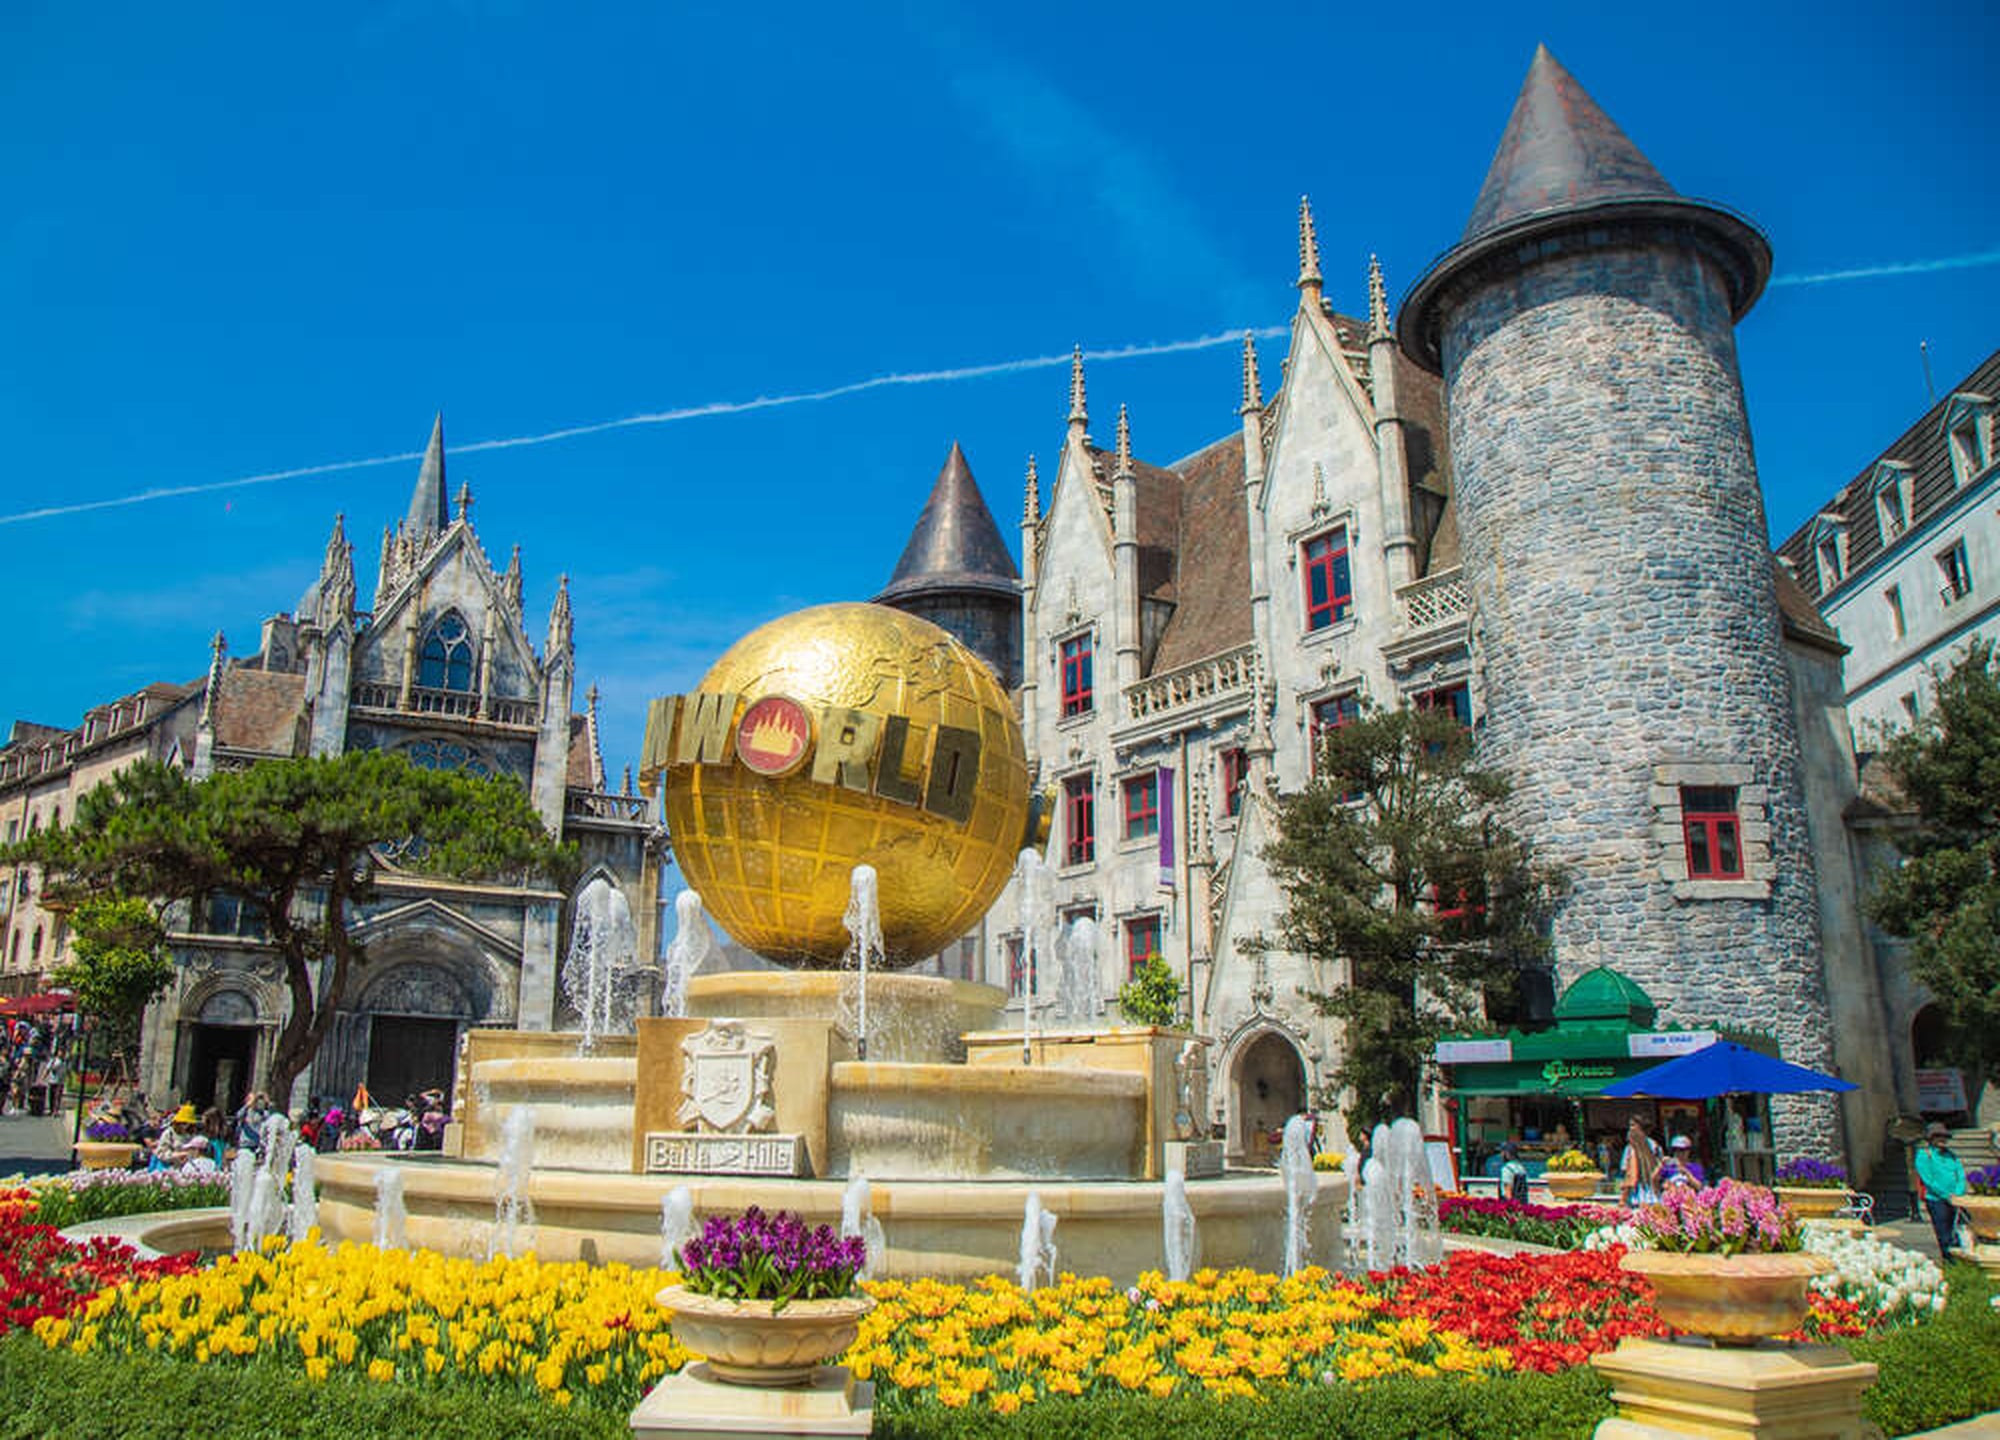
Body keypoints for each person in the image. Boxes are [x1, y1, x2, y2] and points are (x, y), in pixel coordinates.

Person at [1912, 1121, 1968, 1261]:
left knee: (1959, 1231)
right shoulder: (1924, 1155)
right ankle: (1949, 1261)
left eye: (1944, 1136)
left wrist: (1958, 1192)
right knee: (1944, 1233)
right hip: (1937, 1200)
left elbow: (1960, 1174)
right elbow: (1928, 1180)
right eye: (1938, 1136)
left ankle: (1961, 1259)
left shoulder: (1951, 1156)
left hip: (1956, 1199)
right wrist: (1946, 1195)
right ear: (1931, 1139)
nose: (1942, 1139)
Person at [1620, 1118, 1662, 1207]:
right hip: (1655, 1198)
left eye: (1632, 1125)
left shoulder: (1631, 1150)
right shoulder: (1653, 1147)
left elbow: (1631, 1176)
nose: (1630, 1128)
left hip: (1638, 1200)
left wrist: (1622, 1200)